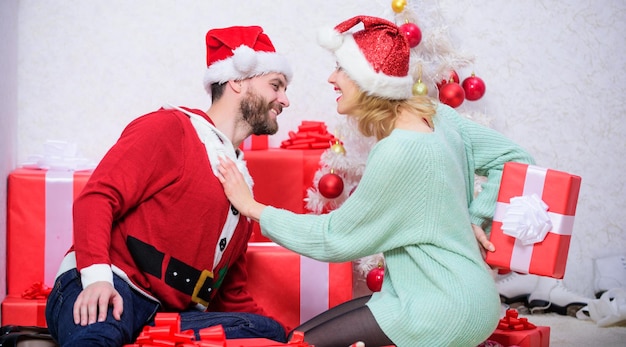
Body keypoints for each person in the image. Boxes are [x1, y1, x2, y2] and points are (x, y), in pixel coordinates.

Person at [218, 15, 536, 347]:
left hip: (440, 308)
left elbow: (334, 237)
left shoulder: (398, 150)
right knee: (297, 338)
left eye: (341, 68)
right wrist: (477, 217)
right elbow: (514, 157)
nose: (332, 77)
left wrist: (253, 208)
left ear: (367, 80)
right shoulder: (439, 117)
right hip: (453, 295)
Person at [44, 25, 293, 346]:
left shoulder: (241, 188)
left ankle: (140, 335)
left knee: (269, 331)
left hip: (167, 314)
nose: (284, 100)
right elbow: (96, 198)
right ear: (237, 81)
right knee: (99, 334)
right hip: (112, 285)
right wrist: (95, 279)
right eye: (276, 86)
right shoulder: (170, 129)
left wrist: (290, 337)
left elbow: (230, 295)